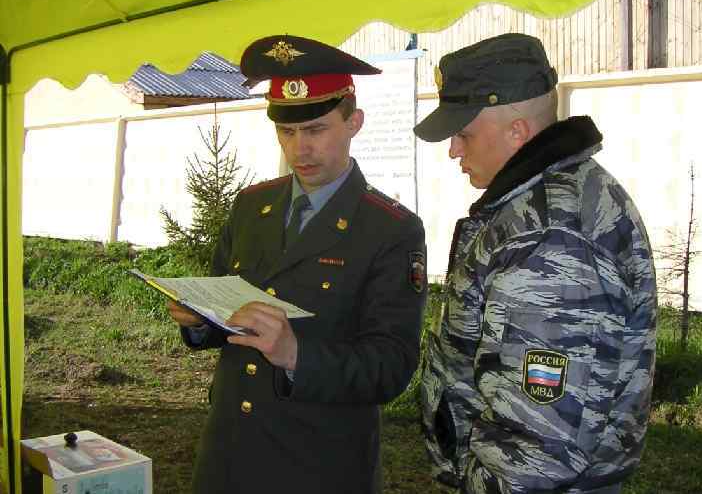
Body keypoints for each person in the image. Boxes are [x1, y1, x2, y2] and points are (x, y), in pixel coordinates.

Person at [167, 34, 427, 494]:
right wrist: (198, 320)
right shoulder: (250, 207)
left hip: (318, 465)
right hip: (229, 455)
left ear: (354, 122)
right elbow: (224, 317)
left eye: (315, 130)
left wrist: (295, 356)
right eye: (286, 132)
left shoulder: (390, 229)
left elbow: (391, 366)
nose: (299, 149)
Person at [414, 33, 657, 494]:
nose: (453, 151)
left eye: (462, 134)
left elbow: (538, 449)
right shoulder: (542, 206)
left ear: (518, 131)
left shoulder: (549, 237)